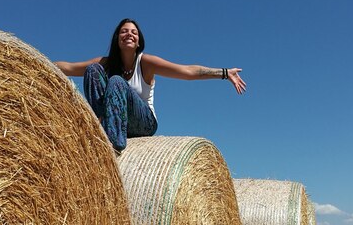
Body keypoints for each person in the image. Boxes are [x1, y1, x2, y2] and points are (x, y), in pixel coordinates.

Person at [55, 18, 246, 154]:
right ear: (117, 39)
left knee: (116, 82)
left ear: (139, 41)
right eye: (124, 31)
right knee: (92, 70)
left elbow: (187, 71)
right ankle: (104, 132)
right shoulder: (106, 62)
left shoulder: (145, 62)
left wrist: (223, 73)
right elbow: (69, 67)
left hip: (144, 122)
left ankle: (113, 147)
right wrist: (32, 62)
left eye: (133, 32)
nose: (129, 34)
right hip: (116, 121)